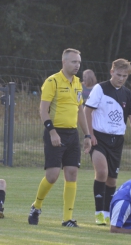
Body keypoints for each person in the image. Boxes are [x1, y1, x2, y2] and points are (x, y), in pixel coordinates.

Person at [28, 48, 91, 227]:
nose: (77, 65)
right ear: (64, 62)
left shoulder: (78, 83)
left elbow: (80, 111)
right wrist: (52, 132)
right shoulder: (52, 81)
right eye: (73, 62)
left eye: (79, 62)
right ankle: (36, 206)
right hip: (55, 132)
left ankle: (67, 219)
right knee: (53, 175)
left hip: (72, 135)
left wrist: (87, 134)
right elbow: (43, 110)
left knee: (72, 174)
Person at [84, 58, 131, 225]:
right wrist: (90, 134)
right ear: (111, 72)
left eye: (125, 76)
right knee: (101, 172)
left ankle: (109, 212)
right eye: (118, 74)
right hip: (99, 138)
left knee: (112, 180)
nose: (121, 78)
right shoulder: (100, 89)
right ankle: (99, 213)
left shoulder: (127, 94)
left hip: (117, 140)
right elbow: (87, 111)